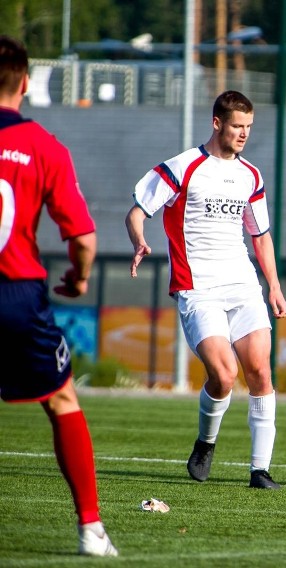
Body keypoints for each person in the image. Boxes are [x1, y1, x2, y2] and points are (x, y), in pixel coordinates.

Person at [125, 90, 286, 490]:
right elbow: (136, 212)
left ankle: (260, 471)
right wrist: (139, 240)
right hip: (198, 288)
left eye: (249, 127)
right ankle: (206, 441)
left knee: (261, 371)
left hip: (243, 284)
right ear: (217, 123)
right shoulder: (182, 167)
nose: (243, 134)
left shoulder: (251, 175)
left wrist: (274, 287)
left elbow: (261, 237)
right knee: (224, 374)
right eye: (237, 126)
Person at [0, 36, 118, 556]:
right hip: (17, 294)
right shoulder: (45, 146)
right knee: (61, 399)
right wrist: (79, 276)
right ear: (26, 83)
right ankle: (91, 530)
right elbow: (84, 239)